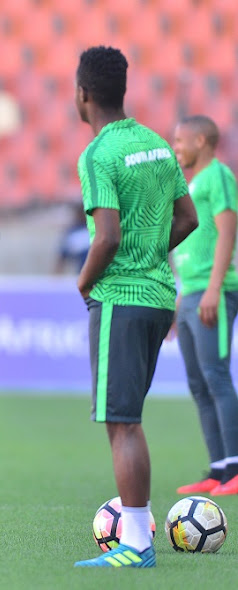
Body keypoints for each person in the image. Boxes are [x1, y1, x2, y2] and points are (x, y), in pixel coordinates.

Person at [71, 46, 198, 568]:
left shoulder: (98, 154)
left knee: (122, 422)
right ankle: (138, 533)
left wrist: (84, 284)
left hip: (120, 298)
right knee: (130, 418)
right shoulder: (156, 144)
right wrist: (149, 257)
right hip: (159, 297)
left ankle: (138, 545)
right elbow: (188, 218)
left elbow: (104, 239)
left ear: (82, 95)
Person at [172, 115, 238, 496]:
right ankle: (218, 468)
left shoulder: (220, 177)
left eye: (180, 141)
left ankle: (235, 468)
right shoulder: (193, 180)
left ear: (201, 140)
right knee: (198, 381)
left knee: (216, 375)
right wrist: (184, 295)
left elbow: (227, 232)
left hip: (216, 291)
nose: (176, 147)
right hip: (191, 291)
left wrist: (214, 288)